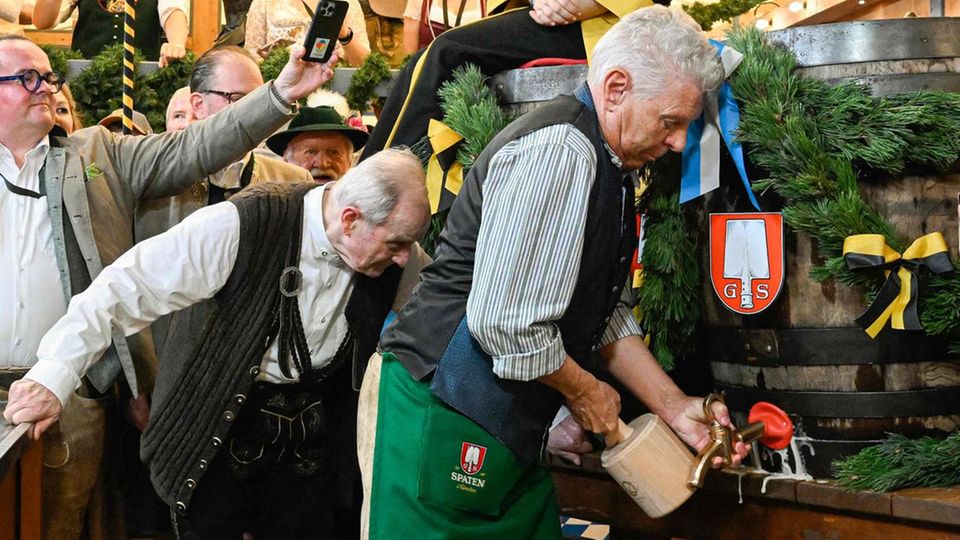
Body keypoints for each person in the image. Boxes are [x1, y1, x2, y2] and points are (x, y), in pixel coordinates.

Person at [360, 6, 750, 538]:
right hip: (444, 409)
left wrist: (673, 404)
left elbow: (599, 311)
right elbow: (506, 324)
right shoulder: (559, 150)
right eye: (671, 122)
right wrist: (586, 392)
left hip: (505, 432)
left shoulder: (609, 161)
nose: (680, 142)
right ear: (615, 87)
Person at [0, 34, 335, 540]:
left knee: (53, 528)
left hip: (66, 398)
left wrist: (281, 92)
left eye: (49, 76)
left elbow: (197, 146)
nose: (46, 86)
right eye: (28, 77)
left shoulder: (100, 155)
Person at [5, 148, 432, 539]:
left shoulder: (400, 256)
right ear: (351, 219)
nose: (403, 257)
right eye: (396, 244)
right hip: (215, 436)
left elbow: (444, 313)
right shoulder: (245, 223)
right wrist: (52, 376)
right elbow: (122, 288)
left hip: (313, 457)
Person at [361, 0, 649, 160]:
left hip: (609, 20)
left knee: (444, 53)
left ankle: (376, 182)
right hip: (551, 10)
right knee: (431, 55)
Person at [135, 45, 313, 244]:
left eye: (258, 99)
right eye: (238, 99)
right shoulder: (151, 178)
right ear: (198, 105)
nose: (256, 111)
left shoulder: (293, 182)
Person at [31, 0, 188, 66]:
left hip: (142, 81)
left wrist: (176, 44)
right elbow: (42, 22)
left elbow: (173, 12)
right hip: (87, 80)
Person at [244, 0, 371, 66]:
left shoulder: (348, 3)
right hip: (284, 97)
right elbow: (250, 60)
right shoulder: (265, 3)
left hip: (336, 99)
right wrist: (269, 61)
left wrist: (344, 34)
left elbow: (366, 64)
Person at [265, 105, 368, 183]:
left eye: (334, 152)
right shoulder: (268, 207)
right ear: (286, 161)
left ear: (350, 162)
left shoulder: (363, 207)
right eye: (311, 152)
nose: (322, 164)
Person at [401, 0, 487, 55]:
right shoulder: (421, 2)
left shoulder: (484, 3)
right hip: (426, 76)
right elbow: (409, 55)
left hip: (466, 79)